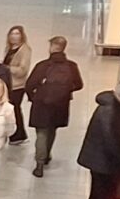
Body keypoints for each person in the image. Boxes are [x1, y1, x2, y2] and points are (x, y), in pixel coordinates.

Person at [23, 35, 86, 176]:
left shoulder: (43, 66)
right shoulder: (71, 66)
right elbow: (79, 85)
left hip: (42, 104)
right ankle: (47, 155)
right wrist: (65, 91)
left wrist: (33, 97)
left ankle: (39, 163)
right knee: (52, 130)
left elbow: (29, 85)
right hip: (60, 105)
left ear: (52, 47)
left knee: (41, 132)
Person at [1, 25, 35, 145]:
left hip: (17, 86)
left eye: (17, 34)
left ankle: (18, 135)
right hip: (7, 84)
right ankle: (12, 134)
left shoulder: (25, 50)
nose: (14, 36)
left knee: (14, 109)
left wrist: (6, 68)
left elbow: (22, 70)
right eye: (12, 34)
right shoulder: (9, 48)